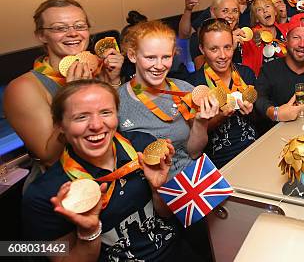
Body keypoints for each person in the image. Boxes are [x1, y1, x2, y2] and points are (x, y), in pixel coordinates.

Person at [22, 80, 213, 261]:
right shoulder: (44, 195)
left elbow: (165, 215)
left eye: (106, 112)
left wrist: (158, 189)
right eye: (81, 117)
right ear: (60, 126)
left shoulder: (143, 146)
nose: (96, 125)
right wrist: (89, 233)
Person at [4, 0, 123, 177]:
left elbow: (118, 127)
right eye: (60, 28)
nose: (73, 33)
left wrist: (113, 81)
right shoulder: (23, 88)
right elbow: (49, 157)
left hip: (113, 170)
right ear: (41, 35)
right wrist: (73, 94)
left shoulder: (98, 69)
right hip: (64, 185)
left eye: (80, 26)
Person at [119, 20, 216, 178]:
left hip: (188, 183)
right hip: (144, 190)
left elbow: (193, 152)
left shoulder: (185, 91)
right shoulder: (117, 102)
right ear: (132, 55)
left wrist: (201, 122)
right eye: (150, 58)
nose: (159, 65)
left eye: (166, 57)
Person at [187, 18, 259, 168]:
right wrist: (220, 117)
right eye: (214, 49)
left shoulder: (246, 74)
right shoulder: (194, 85)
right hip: (220, 164)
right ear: (202, 49)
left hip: (254, 151)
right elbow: (192, 137)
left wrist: (251, 112)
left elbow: (261, 120)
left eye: (227, 47)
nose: (223, 55)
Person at [255, 13, 304, 127]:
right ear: (287, 40)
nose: (302, 44)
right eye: (296, 37)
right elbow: (259, 98)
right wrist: (275, 113)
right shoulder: (270, 69)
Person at [241, 0, 288, 76]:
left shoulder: (286, 30)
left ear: (275, 12)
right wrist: (255, 38)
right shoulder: (252, 36)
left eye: (267, 6)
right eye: (259, 9)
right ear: (256, 18)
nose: (265, 10)